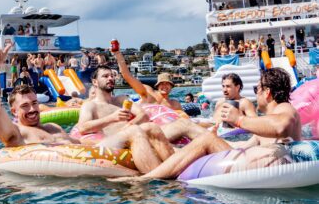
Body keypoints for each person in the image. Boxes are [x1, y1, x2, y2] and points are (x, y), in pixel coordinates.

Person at [112, 68, 301, 183]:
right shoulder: (269, 117)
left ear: (267, 92)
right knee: (199, 138)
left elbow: (280, 126)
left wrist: (239, 120)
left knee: (206, 139)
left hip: (266, 167)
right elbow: (246, 146)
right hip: (252, 161)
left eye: (256, 89)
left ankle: (148, 178)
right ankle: (159, 150)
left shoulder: (285, 109)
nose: (255, 93)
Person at [77, 66, 176, 172]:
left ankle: (175, 169)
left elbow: (143, 115)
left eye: (112, 76)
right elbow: (83, 127)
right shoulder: (90, 105)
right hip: (112, 140)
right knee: (135, 131)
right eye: (105, 76)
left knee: (153, 126)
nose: (110, 78)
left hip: (129, 132)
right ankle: (160, 176)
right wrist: (112, 118)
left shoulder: (122, 100)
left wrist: (129, 125)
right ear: (95, 82)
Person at [113, 45, 182, 111]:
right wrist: (118, 54)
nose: (164, 86)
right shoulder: (149, 93)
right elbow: (128, 76)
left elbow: (184, 118)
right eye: (162, 83)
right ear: (157, 86)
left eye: (167, 83)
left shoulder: (174, 104)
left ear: (171, 86)